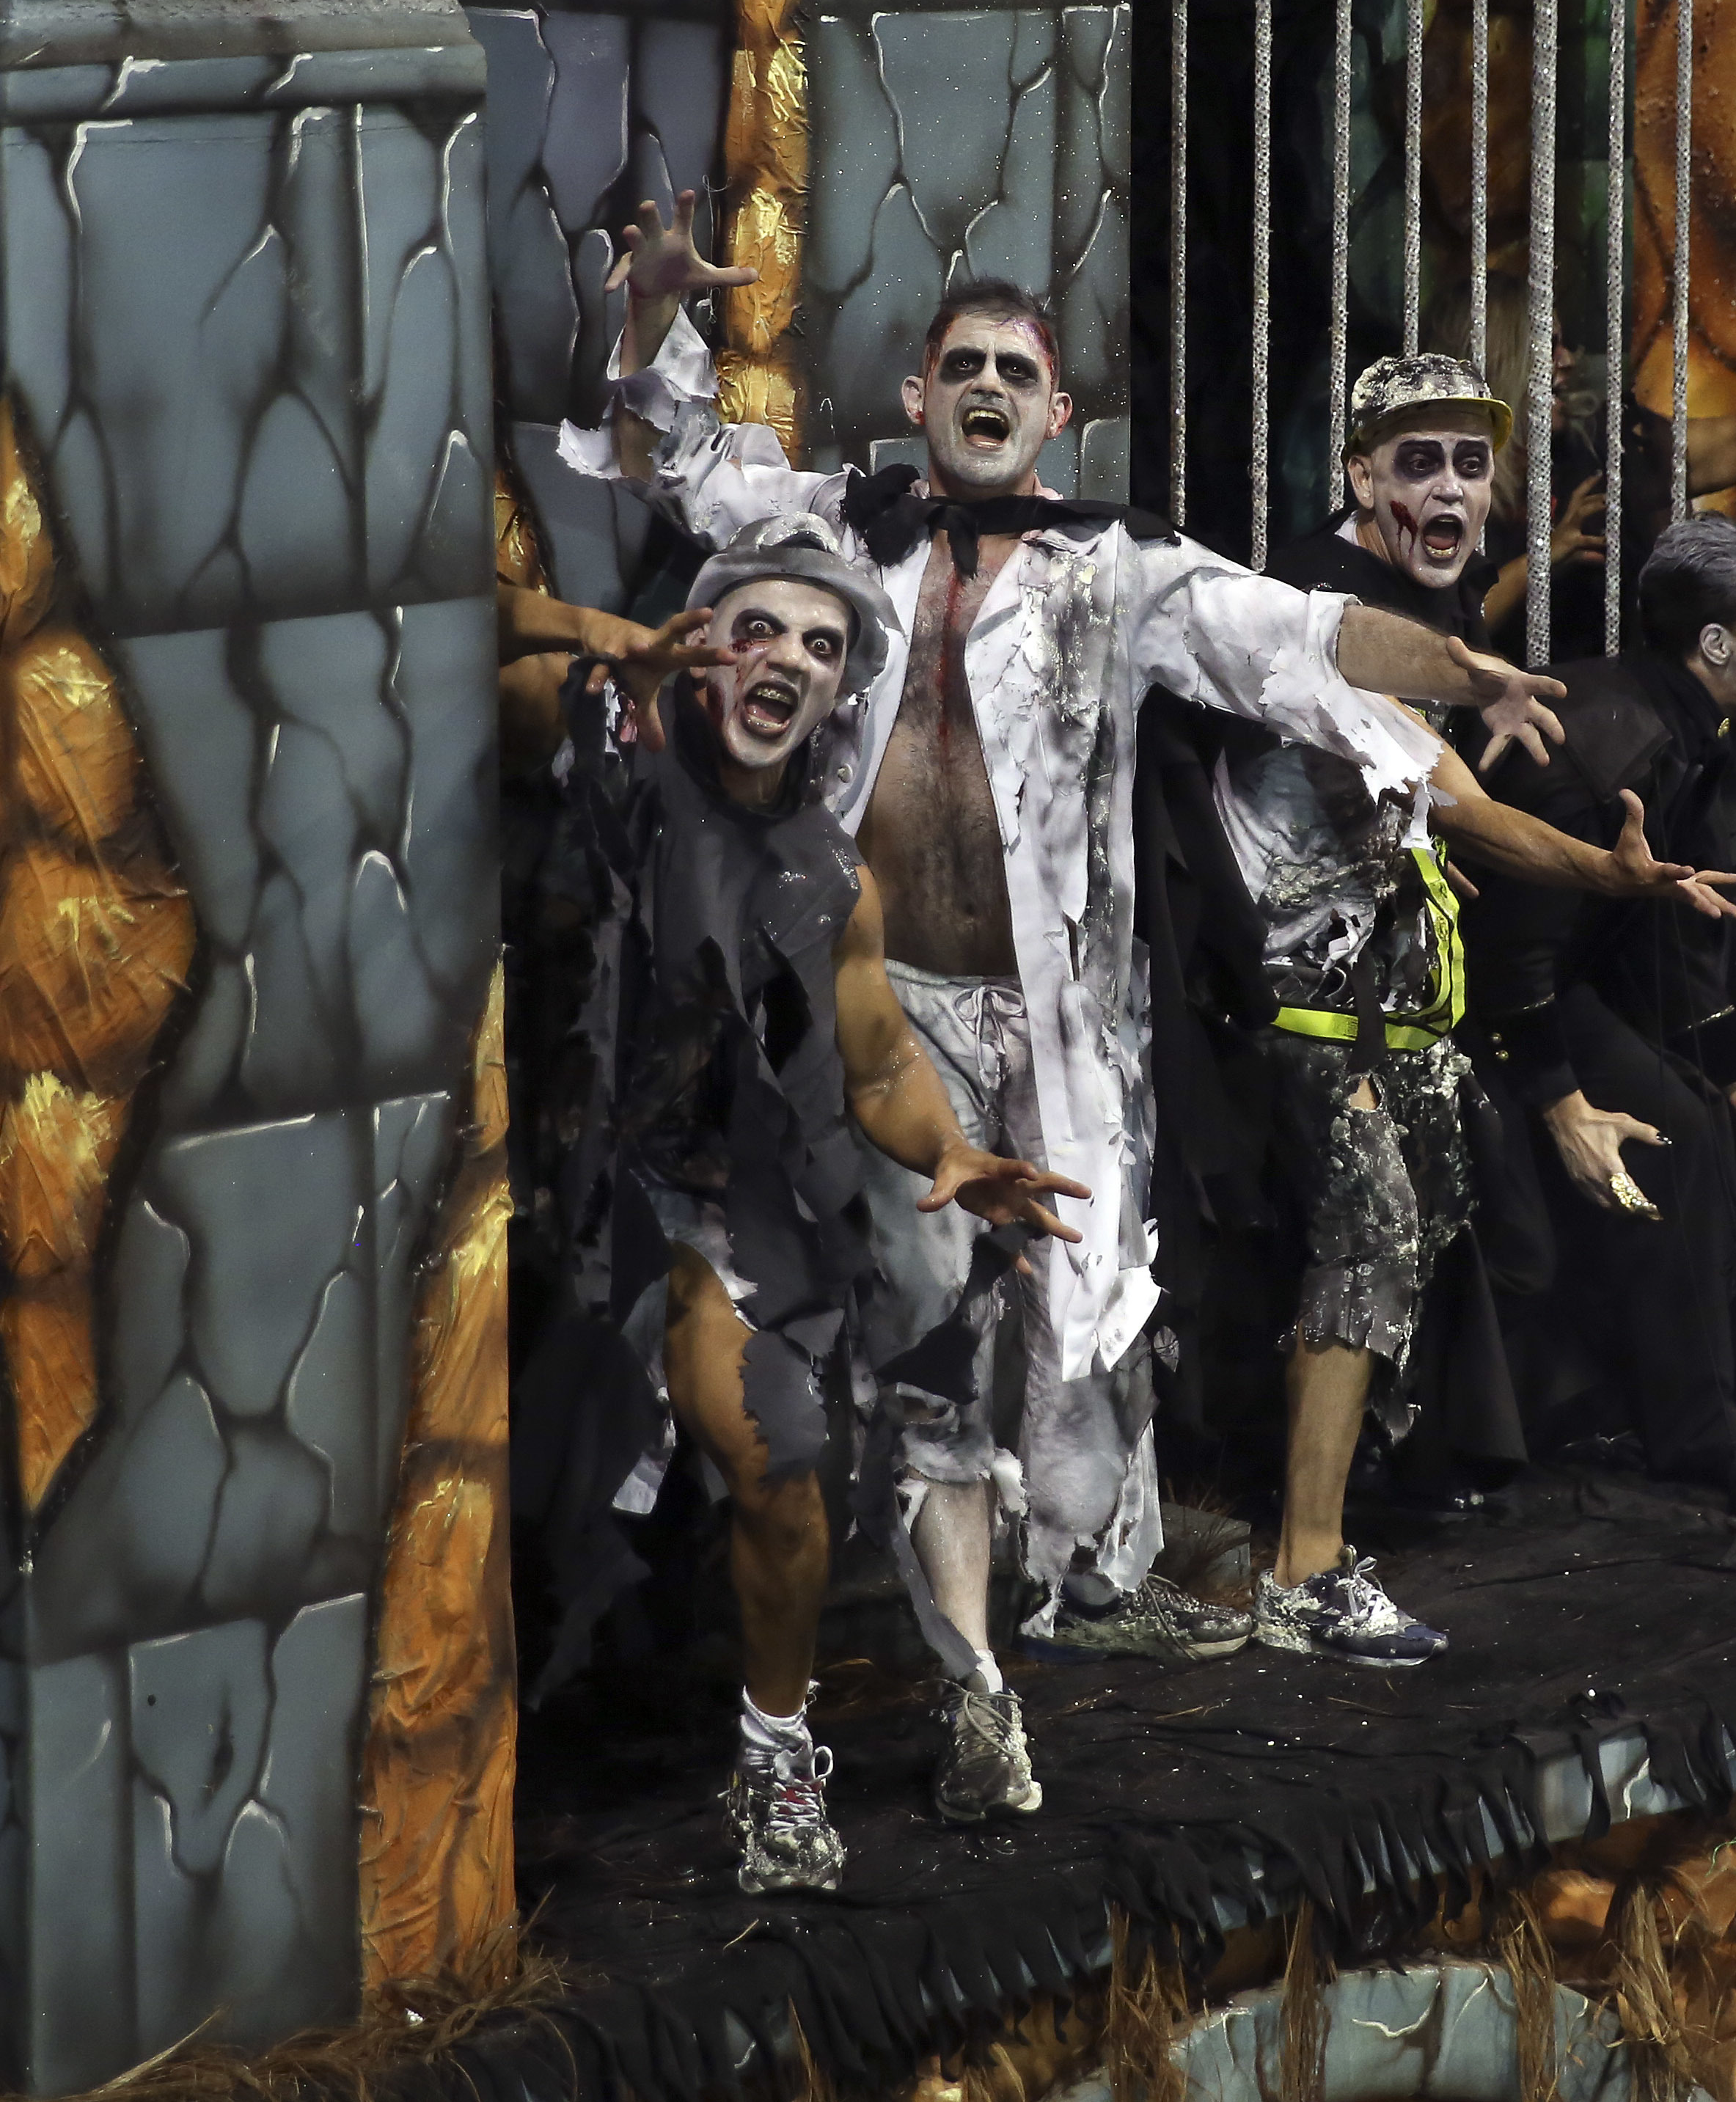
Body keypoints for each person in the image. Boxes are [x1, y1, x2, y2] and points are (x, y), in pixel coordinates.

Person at [568, 197, 1564, 1668]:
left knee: (1082, 1295)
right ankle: (854, 1614)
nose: (984, 389)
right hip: (866, 996)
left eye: (1015, 373)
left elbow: (1294, 635)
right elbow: (689, 463)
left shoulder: (1121, 566)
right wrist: (652, 318)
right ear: (918, 393)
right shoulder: (841, 522)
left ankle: (1083, 1582)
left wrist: (1460, 662)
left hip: (1051, 999)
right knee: (871, 1294)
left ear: (1058, 410)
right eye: (960, 364)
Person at [556, 514, 1087, 1886]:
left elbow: (878, 1058)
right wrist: (583, 634)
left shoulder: (827, 875)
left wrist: (947, 1154)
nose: (787, 656)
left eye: (823, 643)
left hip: (714, 1212)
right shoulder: (609, 758)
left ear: (842, 691)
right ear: (704, 647)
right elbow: (437, 626)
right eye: (760, 627)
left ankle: (775, 1759)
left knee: (789, 1466)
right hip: (544, 1195)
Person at [1207, 353, 1736, 1661]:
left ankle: (1312, 1502)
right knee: (1367, 1244)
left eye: (1467, 463)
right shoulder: (1320, 611)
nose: (1448, 487)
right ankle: (1303, 1567)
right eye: (1417, 462)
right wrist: (1605, 872)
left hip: (1388, 1015)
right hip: (1298, 1021)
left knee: (1449, 1222)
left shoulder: (1385, 585)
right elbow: (1467, 810)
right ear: (1359, 476)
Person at [1460, 518, 1736, 1509]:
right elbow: (1507, 951)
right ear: (1715, 646)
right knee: (1668, 1128)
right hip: (1466, 995)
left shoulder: (1684, 728)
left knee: (1695, 1115)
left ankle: (1667, 1417)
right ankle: (1674, 1431)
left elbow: (1674, 948)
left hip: (1552, 981)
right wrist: (1560, 1105)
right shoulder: (1612, 743)